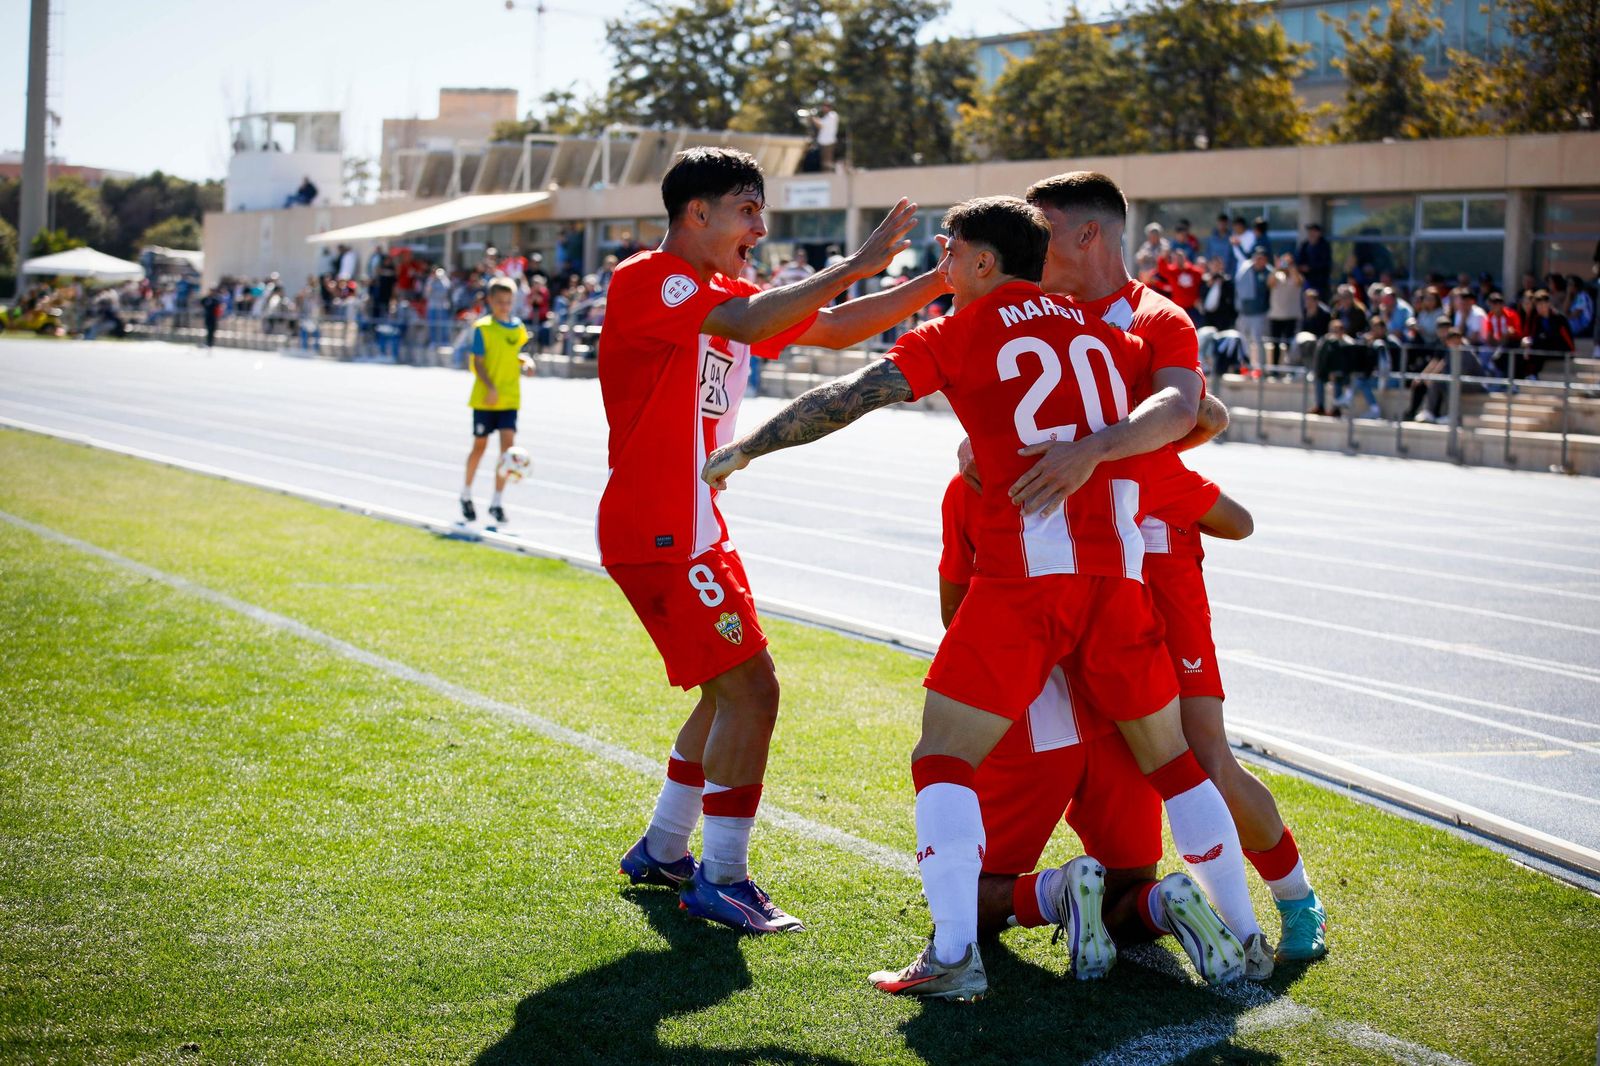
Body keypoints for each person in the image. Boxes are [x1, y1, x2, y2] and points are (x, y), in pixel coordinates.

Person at [704, 196, 1260, 999]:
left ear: (986, 263)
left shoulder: (960, 330)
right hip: (1117, 579)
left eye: (950, 250)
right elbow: (1195, 410)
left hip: (1024, 584)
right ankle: (1244, 936)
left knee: (942, 760)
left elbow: (850, 397)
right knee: (1174, 764)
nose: (940, 263)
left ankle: (956, 956)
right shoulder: (1110, 333)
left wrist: (750, 446)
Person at [599, 147, 940, 936]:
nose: (761, 226)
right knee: (755, 691)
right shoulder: (653, 278)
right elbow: (759, 320)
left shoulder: (721, 290)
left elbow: (832, 329)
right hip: (662, 527)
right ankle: (722, 877)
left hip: (692, 523)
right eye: (749, 209)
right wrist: (856, 260)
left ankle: (663, 848)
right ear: (698, 214)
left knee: (729, 692)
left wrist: (935, 284)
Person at [459, 278, 534, 526]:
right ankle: (466, 493)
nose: (504, 306)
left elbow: (514, 354)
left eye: (508, 302)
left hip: (510, 398)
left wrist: (526, 361)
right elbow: (478, 362)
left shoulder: (518, 328)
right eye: (499, 302)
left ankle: (497, 501)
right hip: (486, 399)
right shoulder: (483, 328)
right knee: (479, 447)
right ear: (490, 301)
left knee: (507, 454)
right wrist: (490, 387)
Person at [1234, 246, 1271, 374]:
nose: (1259, 261)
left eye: (1262, 258)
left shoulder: (1268, 273)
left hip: (1259, 313)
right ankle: (1244, 367)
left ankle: (1261, 369)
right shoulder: (1245, 270)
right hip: (1244, 312)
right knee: (1243, 342)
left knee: (1259, 341)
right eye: (1257, 258)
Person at [1294, 222, 1331, 297]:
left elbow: (1325, 264)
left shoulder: (1324, 246)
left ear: (1319, 233)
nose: (1311, 234)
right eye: (1310, 231)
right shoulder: (1305, 245)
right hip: (1306, 281)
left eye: (1314, 231)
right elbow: (1298, 259)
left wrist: (1310, 268)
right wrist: (1300, 267)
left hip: (1320, 283)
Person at [809, 101, 839, 170]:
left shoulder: (832, 115)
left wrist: (813, 119)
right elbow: (821, 122)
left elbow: (821, 125)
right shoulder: (827, 117)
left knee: (827, 162)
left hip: (828, 142)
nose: (823, 109)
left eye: (824, 107)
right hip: (824, 143)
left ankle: (829, 176)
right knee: (824, 162)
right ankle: (827, 175)